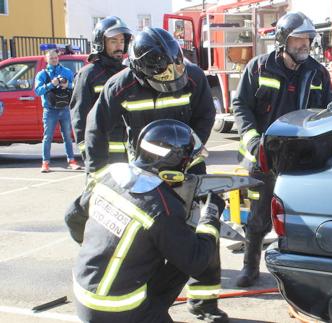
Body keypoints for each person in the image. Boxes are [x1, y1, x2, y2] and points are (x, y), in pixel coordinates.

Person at [83, 27, 227, 322]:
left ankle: (204, 302)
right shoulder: (119, 86)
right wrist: (97, 177)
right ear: (139, 68)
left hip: (187, 165)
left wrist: (189, 150)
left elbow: (205, 117)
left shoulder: (193, 76)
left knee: (201, 233)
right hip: (147, 172)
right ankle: (148, 297)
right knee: (150, 240)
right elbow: (95, 130)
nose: (173, 79)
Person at [65, 119, 224, 323]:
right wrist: (210, 215)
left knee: (177, 255)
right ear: (174, 165)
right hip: (117, 309)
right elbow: (197, 261)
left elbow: (72, 218)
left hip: (83, 293)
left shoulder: (110, 177)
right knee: (188, 253)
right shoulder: (162, 207)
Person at [233, 11, 332, 287]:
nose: (305, 44)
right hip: (265, 157)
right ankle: (250, 267)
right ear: (283, 40)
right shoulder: (258, 68)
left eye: (308, 39)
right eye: (298, 39)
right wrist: (253, 142)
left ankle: (294, 274)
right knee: (258, 216)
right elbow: (241, 107)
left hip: (301, 159)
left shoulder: (317, 72)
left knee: (297, 218)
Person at [71, 16, 132, 162]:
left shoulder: (129, 73)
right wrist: (90, 157)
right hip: (103, 159)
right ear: (101, 43)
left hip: (130, 158)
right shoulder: (88, 74)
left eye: (122, 41)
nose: (119, 46)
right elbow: (79, 118)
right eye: (113, 41)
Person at [34, 50, 80, 173]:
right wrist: (51, 84)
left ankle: (71, 161)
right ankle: (45, 163)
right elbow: (37, 91)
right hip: (50, 110)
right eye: (51, 58)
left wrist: (67, 85)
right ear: (46, 60)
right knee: (47, 137)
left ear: (58, 58)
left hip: (64, 108)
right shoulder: (42, 74)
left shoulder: (67, 72)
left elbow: (77, 86)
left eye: (55, 58)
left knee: (68, 137)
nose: (54, 60)